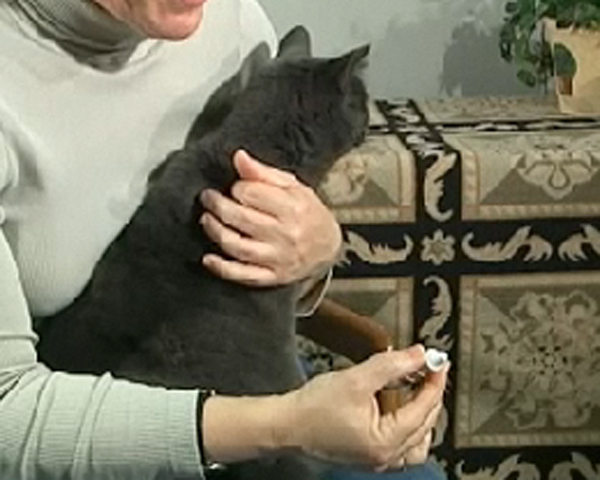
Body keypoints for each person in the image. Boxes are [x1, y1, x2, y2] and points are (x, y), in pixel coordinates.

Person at [0, 0, 449, 478]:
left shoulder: (230, 23)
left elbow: (247, 244)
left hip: (230, 379)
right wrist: (288, 424)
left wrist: (317, 250)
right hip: (77, 420)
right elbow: (8, 421)